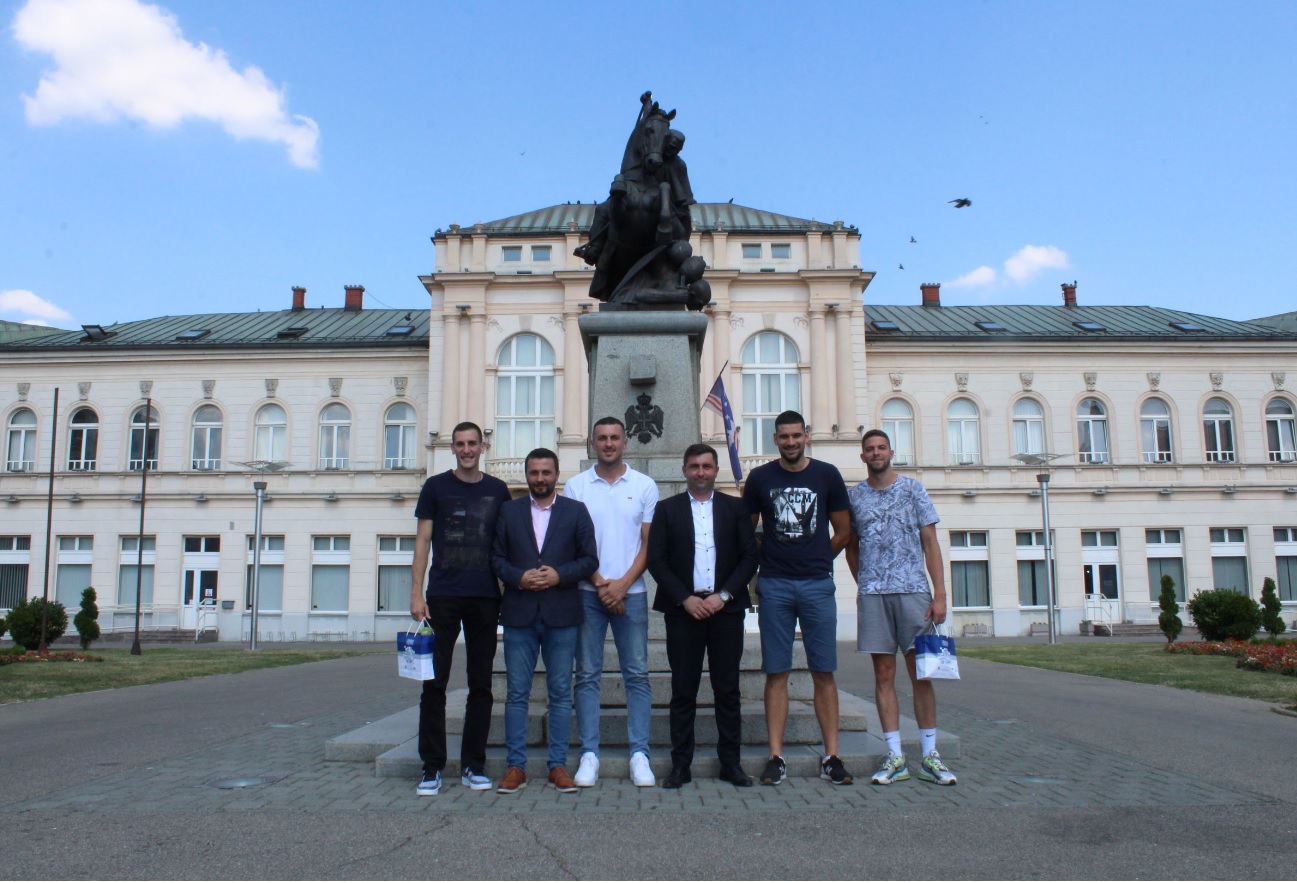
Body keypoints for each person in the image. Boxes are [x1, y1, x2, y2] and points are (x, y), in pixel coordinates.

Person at [742, 410, 854, 787]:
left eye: (796, 435)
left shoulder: (827, 475)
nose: (790, 442)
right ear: (775, 439)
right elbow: (747, 529)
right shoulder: (760, 478)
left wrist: (821, 556)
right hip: (774, 585)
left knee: (824, 671)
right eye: (783, 437)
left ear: (806, 435)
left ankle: (832, 755)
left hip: (816, 584)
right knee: (777, 672)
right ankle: (776, 756)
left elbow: (843, 530)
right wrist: (762, 558)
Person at [846, 429, 957, 786]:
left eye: (881, 448)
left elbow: (930, 543)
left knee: (921, 674)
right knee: (883, 676)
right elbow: (851, 546)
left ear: (891, 452)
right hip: (875, 596)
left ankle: (929, 755)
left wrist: (939, 594)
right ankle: (895, 755)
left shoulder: (913, 489)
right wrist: (863, 581)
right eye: (870, 449)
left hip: (914, 593)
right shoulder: (855, 497)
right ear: (862, 457)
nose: (876, 453)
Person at [647, 443, 759, 788]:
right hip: (684, 612)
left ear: (715, 470)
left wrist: (723, 596)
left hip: (726, 610)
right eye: (694, 466)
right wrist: (685, 599)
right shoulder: (666, 510)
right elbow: (657, 559)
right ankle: (681, 765)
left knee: (727, 689)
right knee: (683, 690)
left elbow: (748, 557)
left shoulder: (736, 508)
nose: (700, 472)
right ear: (684, 470)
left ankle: (731, 763)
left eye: (707, 466)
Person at [409, 421, 512, 797]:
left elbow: (505, 545)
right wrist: (416, 594)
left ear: (483, 447)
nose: (467, 449)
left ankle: (473, 764)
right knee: (433, 684)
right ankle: (432, 766)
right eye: (460, 444)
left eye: (472, 443)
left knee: (481, 684)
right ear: (452, 448)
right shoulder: (436, 486)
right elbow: (422, 541)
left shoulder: (498, 490)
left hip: (486, 597)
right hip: (442, 598)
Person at [490, 448, 599, 794]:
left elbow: (588, 559)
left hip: (561, 613)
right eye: (534, 473)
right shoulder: (508, 511)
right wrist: (519, 578)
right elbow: (495, 558)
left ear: (556, 475)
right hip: (520, 613)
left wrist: (559, 576)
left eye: (546, 473)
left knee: (560, 693)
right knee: (517, 694)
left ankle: (558, 766)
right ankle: (515, 767)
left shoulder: (575, 511)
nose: (540, 479)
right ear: (527, 475)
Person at [564, 417, 660, 788]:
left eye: (614, 438)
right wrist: (602, 584)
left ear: (625, 441)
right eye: (601, 438)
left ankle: (640, 753)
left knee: (636, 674)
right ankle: (590, 753)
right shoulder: (576, 486)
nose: (608, 444)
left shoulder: (644, 485)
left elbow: (649, 544)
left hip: (631, 595)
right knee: (586, 674)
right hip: (588, 594)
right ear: (592, 443)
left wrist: (621, 586)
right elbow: (572, 544)